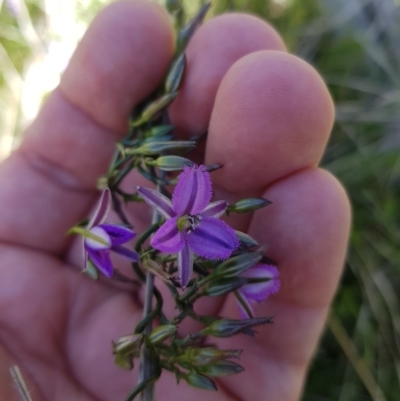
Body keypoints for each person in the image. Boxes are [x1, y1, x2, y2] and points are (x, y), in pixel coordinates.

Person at [0, 1, 351, 400]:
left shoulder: (188, 228)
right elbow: (183, 237)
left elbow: (194, 240)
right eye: (183, 224)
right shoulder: (179, 225)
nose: (186, 225)